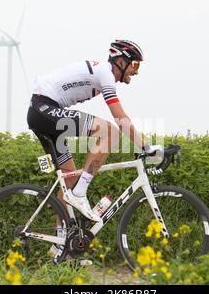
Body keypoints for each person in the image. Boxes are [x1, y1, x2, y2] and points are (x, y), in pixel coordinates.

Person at [27, 39, 163, 222]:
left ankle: (60, 243)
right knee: (110, 132)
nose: (136, 71)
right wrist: (146, 147)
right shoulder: (105, 74)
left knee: (68, 182)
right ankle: (80, 193)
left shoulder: (102, 74)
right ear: (121, 62)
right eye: (135, 65)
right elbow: (120, 119)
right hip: (44, 108)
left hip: (43, 112)